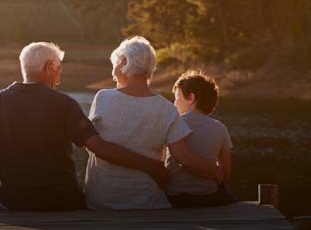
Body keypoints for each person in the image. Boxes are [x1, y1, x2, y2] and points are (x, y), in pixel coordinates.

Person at [0, 42, 169, 211]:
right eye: (58, 70)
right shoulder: (65, 104)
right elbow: (99, 148)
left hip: (15, 201)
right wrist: (151, 166)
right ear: (49, 68)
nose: (60, 78)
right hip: (63, 201)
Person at [84, 36, 223, 210]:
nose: (112, 74)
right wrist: (216, 171)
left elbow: (92, 145)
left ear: (125, 62)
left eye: (115, 66)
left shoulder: (103, 97)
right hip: (147, 202)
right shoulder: (167, 109)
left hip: (102, 201)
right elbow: (185, 158)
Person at [166, 70, 236, 207]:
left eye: (177, 98)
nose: (174, 103)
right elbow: (226, 172)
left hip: (174, 197)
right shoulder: (220, 128)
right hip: (207, 196)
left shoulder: (172, 124)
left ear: (191, 98)